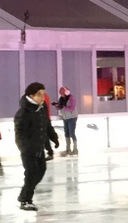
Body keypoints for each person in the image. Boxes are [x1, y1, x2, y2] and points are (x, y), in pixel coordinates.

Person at [14, 82, 54, 211]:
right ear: (31, 96)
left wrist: (53, 137)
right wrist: (25, 148)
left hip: (39, 147)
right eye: (39, 95)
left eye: (43, 95)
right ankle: (26, 200)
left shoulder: (42, 108)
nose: (42, 98)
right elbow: (19, 133)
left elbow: (46, 125)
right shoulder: (24, 112)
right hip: (28, 149)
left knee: (41, 171)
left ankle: (24, 193)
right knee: (31, 173)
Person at [56, 86, 79, 155]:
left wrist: (64, 107)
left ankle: (75, 149)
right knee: (66, 133)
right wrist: (57, 106)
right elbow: (60, 107)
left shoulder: (72, 98)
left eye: (62, 94)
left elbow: (72, 108)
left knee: (72, 133)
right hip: (65, 118)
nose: (62, 95)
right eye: (61, 94)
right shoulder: (61, 99)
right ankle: (68, 149)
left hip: (72, 117)